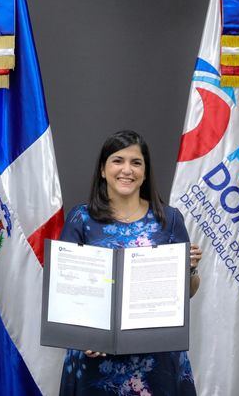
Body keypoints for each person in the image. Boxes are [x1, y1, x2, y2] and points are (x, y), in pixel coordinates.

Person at [59, 130, 201, 396]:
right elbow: (66, 290)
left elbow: (188, 292)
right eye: (118, 160)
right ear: (103, 170)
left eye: (136, 162)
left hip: (155, 358)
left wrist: (189, 269)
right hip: (95, 357)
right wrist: (85, 336)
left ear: (145, 173)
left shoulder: (169, 219)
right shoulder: (81, 219)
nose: (127, 169)